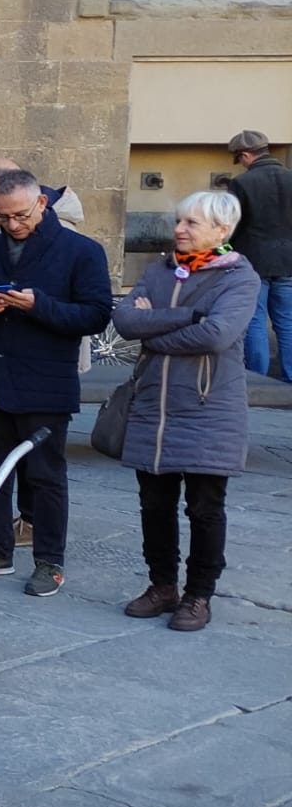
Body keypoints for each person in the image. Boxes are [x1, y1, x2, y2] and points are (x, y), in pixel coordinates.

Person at [0, 169, 113, 596]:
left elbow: (96, 315)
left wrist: (39, 306)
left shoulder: (82, 251)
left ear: (42, 203)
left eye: (20, 215)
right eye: (4, 218)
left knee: (45, 476)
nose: (13, 225)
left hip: (45, 380)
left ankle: (49, 561)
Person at [111, 191, 259, 633]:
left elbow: (216, 335)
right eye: (179, 220)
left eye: (192, 223)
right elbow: (124, 321)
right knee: (153, 505)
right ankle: (162, 587)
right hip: (154, 408)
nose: (179, 229)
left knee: (205, 509)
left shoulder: (239, 277)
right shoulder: (159, 269)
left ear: (222, 231)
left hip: (208, 409)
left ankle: (198, 595)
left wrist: (155, 330)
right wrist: (186, 315)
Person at [226, 130, 292, 381]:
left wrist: (222, 252)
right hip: (289, 263)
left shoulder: (242, 184)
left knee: (254, 322)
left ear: (245, 155)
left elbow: (230, 226)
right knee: (287, 323)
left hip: (253, 263)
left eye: (239, 159)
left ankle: (257, 379)